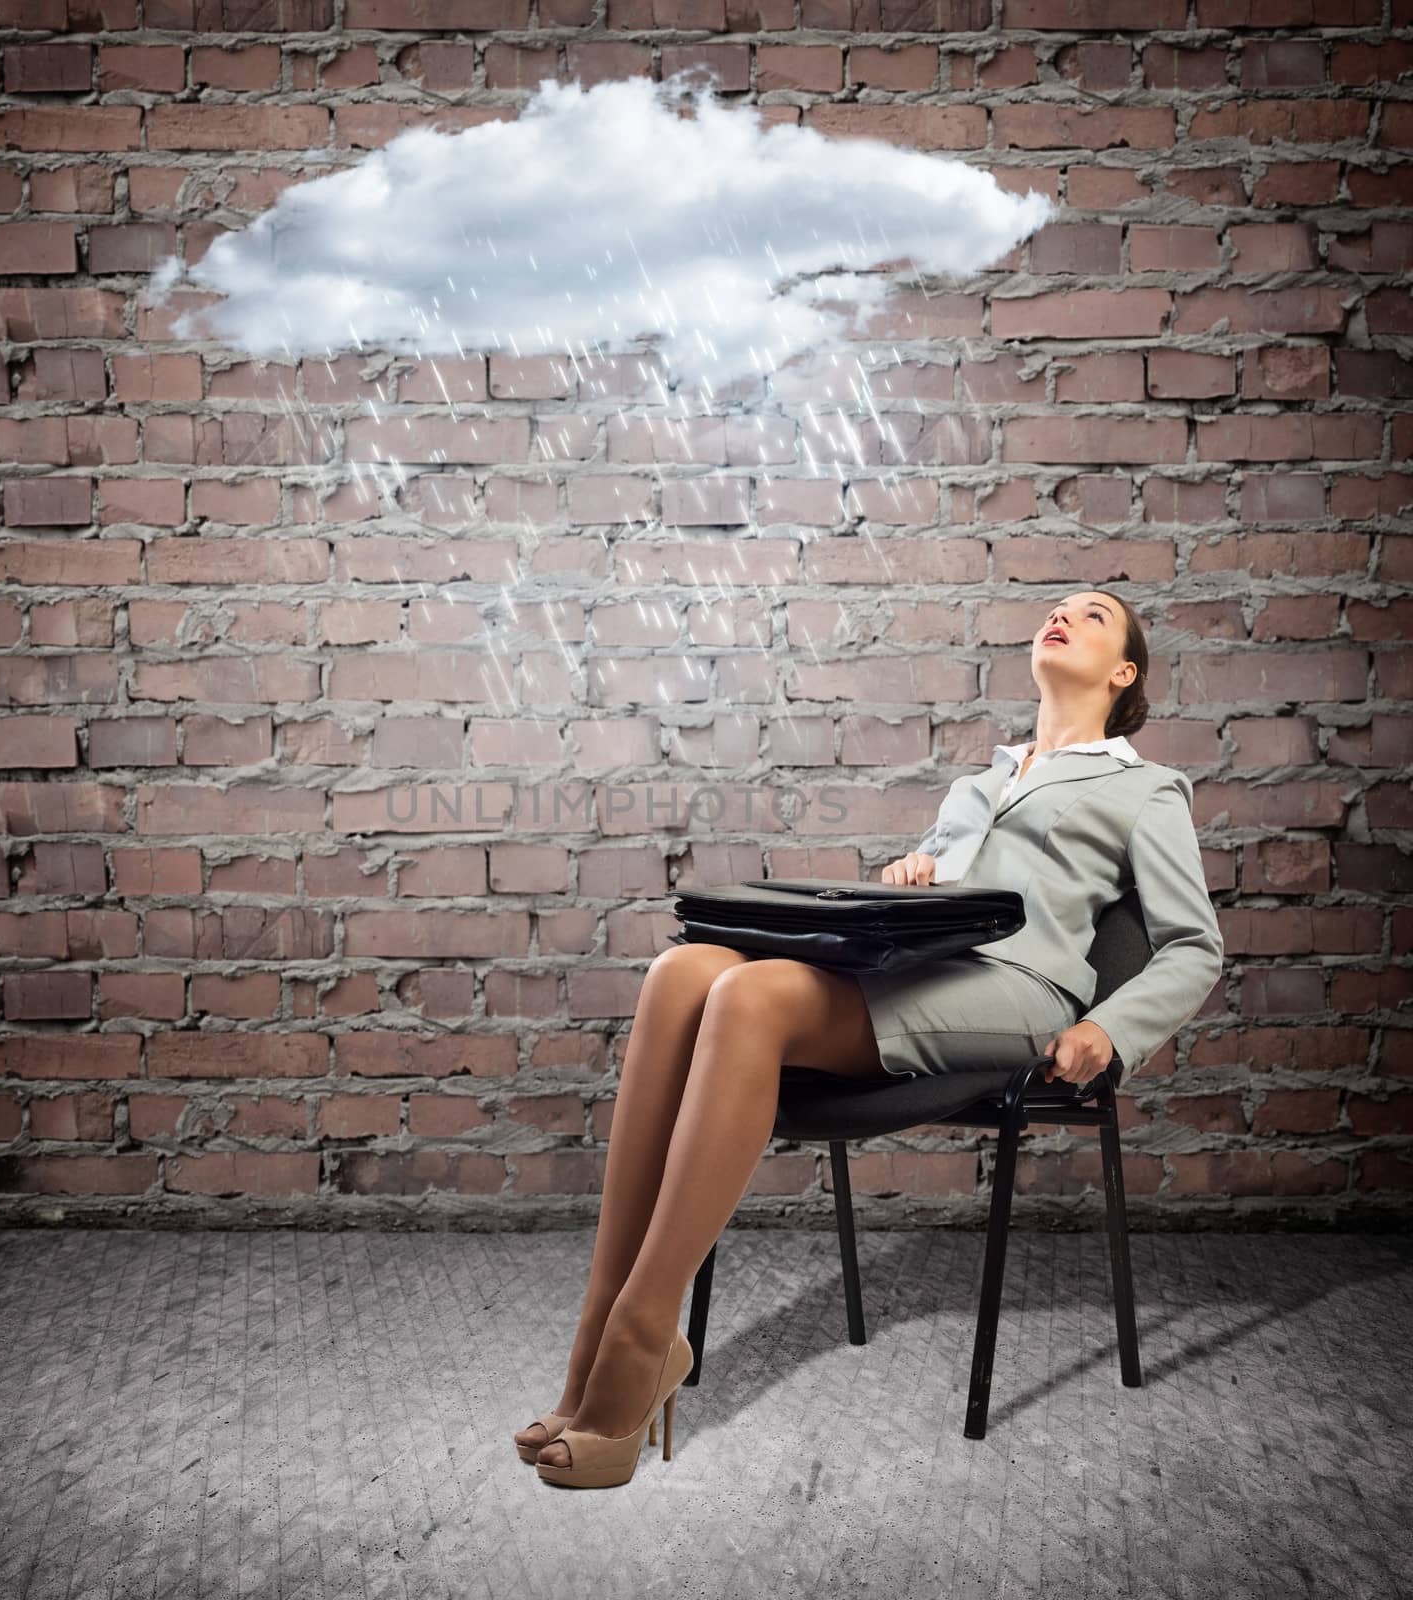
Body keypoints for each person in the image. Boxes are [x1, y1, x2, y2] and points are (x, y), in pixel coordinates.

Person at [520, 589, 1224, 1487]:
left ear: (1123, 671)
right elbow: (944, 908)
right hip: (924, 974)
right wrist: (917, 873)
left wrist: (1108, 1030)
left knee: (748, 998)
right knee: (682, 973)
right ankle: (594, 1336)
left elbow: (1195, 944)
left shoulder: (1142, 788)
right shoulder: (979, 785)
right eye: (1056, 607)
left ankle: (642, 1337)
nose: (1062, 616)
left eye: (1091, 616)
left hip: (1021, 994)